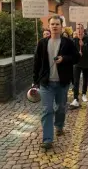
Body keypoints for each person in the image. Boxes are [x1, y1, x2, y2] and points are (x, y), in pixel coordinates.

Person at [33, 15, 78, 149]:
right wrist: (35, 82)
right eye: (52, 24)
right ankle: (47, 139)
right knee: (47, 110)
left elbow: (76, 58)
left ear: (61, 26)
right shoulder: (42, 43)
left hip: (62, 82)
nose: (54, 26)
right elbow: (36, 62)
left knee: (60, 108)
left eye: (57, 24)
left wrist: (64, 58)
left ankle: (59, 125)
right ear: (49, 26)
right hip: (46, 83)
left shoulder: (68, 42)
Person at [70, 24, 88, 109]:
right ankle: (75, 98)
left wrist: (83, 45)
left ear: (84, 29)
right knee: (76, 81)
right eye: (77, 28)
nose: (79, 30)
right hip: (77, 63)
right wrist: (77, 53)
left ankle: (84, 94)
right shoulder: (74, 40)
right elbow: (71, 52)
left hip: (86, 63)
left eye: (81, 28)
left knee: (85, 80)